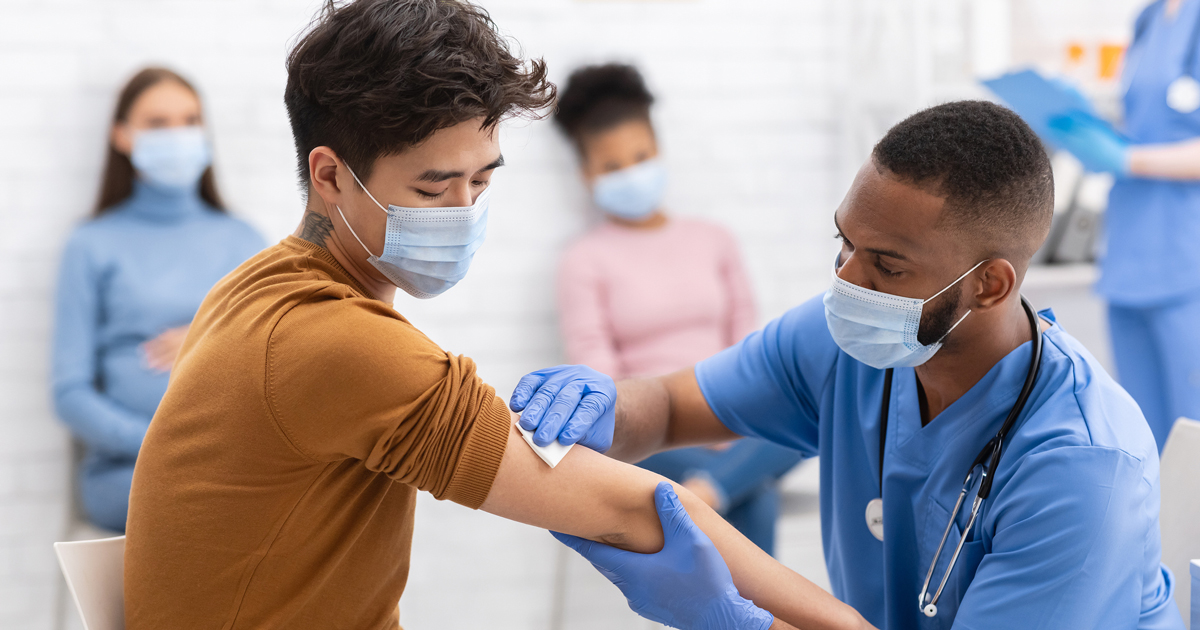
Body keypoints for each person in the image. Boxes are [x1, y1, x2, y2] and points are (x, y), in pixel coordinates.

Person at [122, 2, 876, 629]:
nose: (462, 213)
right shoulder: (338, 343)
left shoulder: (253, 288)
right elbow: (637, 508)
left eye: (481, 181)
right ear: (331, 177)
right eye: (431, 189)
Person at [514, 101, 1184, 629]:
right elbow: (665, 408)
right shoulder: (843, 341)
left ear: (991, 285)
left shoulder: (1080, 467)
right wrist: (606, 409)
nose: (847, 282)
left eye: (887, 265)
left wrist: (736, 620)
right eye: (845, 243)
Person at [549, 63, 804, 555]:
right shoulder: (582, 261)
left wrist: (726, 421)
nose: (631, 173)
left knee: (808, 413)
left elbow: (747, 347)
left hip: (731, 413)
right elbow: (599, 377)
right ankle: (725, 496)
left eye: (641, 156)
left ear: (660, 151)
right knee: (756, 494)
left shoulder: (714, 240)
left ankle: (705, 496)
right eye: (612, 166)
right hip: (649, 436)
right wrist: (679, 425)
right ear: (587, 174)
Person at [51, 67, 264, 533]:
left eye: (190, 120)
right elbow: (70, 393)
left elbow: (280, 359)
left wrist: (208, 334)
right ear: (122, 137)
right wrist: (160, 443)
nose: (178, 135)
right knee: (208, 510)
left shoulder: (246, 242)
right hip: (128, 471)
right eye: (157, 123)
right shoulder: (91, 244)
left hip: (232, 462)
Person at [1042, 0, 1200, 452]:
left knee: (1193, 431)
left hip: (1188, 254)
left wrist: (1129, 159)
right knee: (1144, 434)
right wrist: (1083, 125)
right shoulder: (1149, 18)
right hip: (1132, 252)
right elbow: (1145, 123)